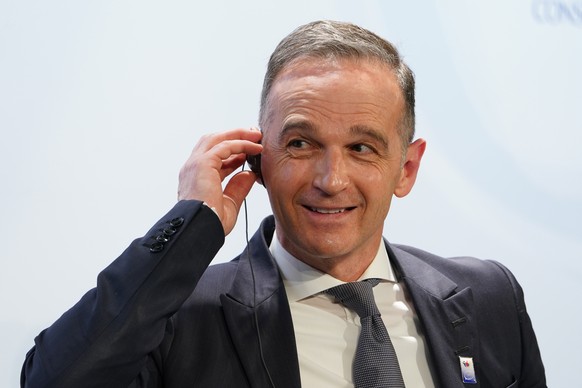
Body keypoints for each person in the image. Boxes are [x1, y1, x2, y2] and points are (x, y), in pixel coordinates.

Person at [21, 20, 546, 388]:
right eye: (301, 143)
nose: (330, 178)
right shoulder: (176, 315)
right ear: (257, 159)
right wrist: (189, 227)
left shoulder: (489, 297)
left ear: (406, 168)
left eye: (361, 148)